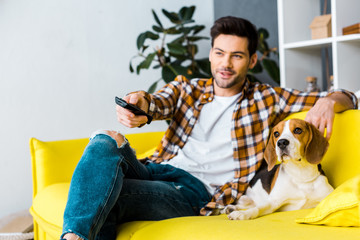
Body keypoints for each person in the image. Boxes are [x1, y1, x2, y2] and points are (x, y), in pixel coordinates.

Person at [61, 16, 357, 240]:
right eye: (219, 53)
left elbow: (351, 96)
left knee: (106, 194)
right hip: (155, 169)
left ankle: (72, 236)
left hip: (193, 191)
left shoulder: (268, 98)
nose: (225, 63)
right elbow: (158, 102)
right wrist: (141, 104)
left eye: (237, 56)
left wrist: (330, 101)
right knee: (104, 139)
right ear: (211, 54)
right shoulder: (187, 88)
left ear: (252, 60)